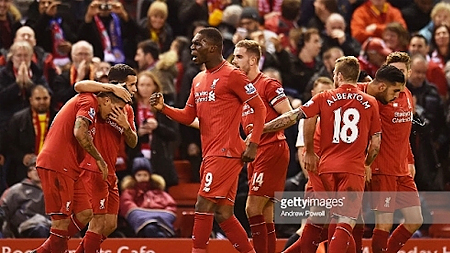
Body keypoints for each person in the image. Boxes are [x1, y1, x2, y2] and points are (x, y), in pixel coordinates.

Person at [150, 27, 266, 253]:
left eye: (197, 44)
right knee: (224, 213)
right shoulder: (198, 79)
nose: (192, 48)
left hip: (226, 152)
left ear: (213, 48)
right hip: (211, 153)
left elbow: (259, 107)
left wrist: (254, 144)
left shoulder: (232, 75)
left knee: (202, 205)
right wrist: (163, 108)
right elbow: (188, 115)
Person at [265, 56, 382, 253]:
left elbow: (293, 117)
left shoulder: (323, 97)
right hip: (352, 170)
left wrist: (262, 129)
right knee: (343, 224)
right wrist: (366, 162)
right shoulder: (370, 102)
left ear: (339, 76)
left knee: (320, 223)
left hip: (325, 170)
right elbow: (376, 145)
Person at [32, 83, 131, 253]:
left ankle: (45, 249)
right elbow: (79, 132)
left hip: (71, 168)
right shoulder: (89, 101)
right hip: (57, 164)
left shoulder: (94, 106)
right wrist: (99, 159)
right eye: (118, 108)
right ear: (106, 100)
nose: (119, 113)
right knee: (61, 224)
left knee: (85, 213)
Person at [232, 39, 292, 253]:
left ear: (253, 59)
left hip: (272, 149)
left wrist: (261, 130)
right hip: (255, 153)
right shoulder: (241, 91)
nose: (234, 61)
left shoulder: (268, 84)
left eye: (239, 56)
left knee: (251, 208)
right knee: (266, 214)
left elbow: (290, 115)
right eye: (234, 56)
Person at [70, 63, 137, 253]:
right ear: (120, 85)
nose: (135, 89)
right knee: (97, 223)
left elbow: (133, 142)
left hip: (111, 171)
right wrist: (110, 87)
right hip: (92, 168)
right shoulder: (98, 100)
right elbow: (78, 86)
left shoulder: (127, 110)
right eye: (132, 85)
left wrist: (126, 127)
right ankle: (55, 242)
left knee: (110, 224)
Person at [364, 52, 423, 253]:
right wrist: (366, 163)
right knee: (384, 224)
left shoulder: (407, 95)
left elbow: (404, 133)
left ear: (408, 72)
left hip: (402, 169)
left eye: (402, 71)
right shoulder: (379, 96)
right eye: (395, 70)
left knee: (415, 220)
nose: (399, 74)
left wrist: (410, 159)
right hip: (383, 167)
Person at [126, 71, 179, 188]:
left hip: (159, 158)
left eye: (148, 85)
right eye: (142, 85)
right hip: (137, 157)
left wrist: (157, 127)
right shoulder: (130, 107)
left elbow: (174, 134)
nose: (145, 88)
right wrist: (137, 134)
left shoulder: (163, 107)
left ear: (155, 86)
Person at [5, 85, 56, 186]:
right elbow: (8, 143)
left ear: (50, 98)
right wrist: (22, 157)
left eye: (45, 98)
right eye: (38, 99)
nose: (42, 102)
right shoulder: (18, 119)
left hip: (52, 168)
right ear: (31, 100)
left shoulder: (59, 118)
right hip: (24, 171)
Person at [119, 157, 177, 237]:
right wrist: (148, 218)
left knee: (154, 229)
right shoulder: (129, 192)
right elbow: (128, 206)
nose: (142, 177)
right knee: (150, 228)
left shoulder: (159, 192)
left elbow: (171, 207)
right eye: (139, 175)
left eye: (145, 175)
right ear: (134, 177)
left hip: (161, 224)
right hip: (140, 227)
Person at [0, 155, 50, 238]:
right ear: (28, 173)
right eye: (34, 168)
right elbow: (3, 212)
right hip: (24, 231)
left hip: (51, 230)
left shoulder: (57, 192)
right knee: (40, 229)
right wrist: (7, 236)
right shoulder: (16, 190)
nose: (37, 171)